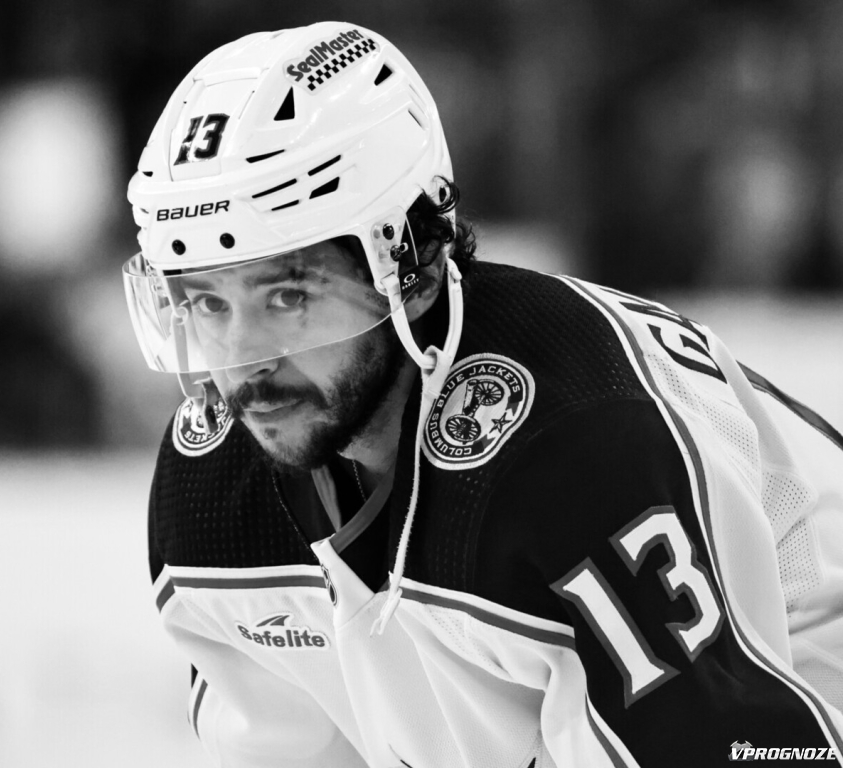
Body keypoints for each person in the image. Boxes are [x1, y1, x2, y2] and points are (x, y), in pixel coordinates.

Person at [121, 21, 843, 768]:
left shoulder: (576, 444)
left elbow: (734, 746)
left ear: (415, 268)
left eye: (287, 297)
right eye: (206, 302)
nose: (243, 362)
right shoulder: (212, 491)